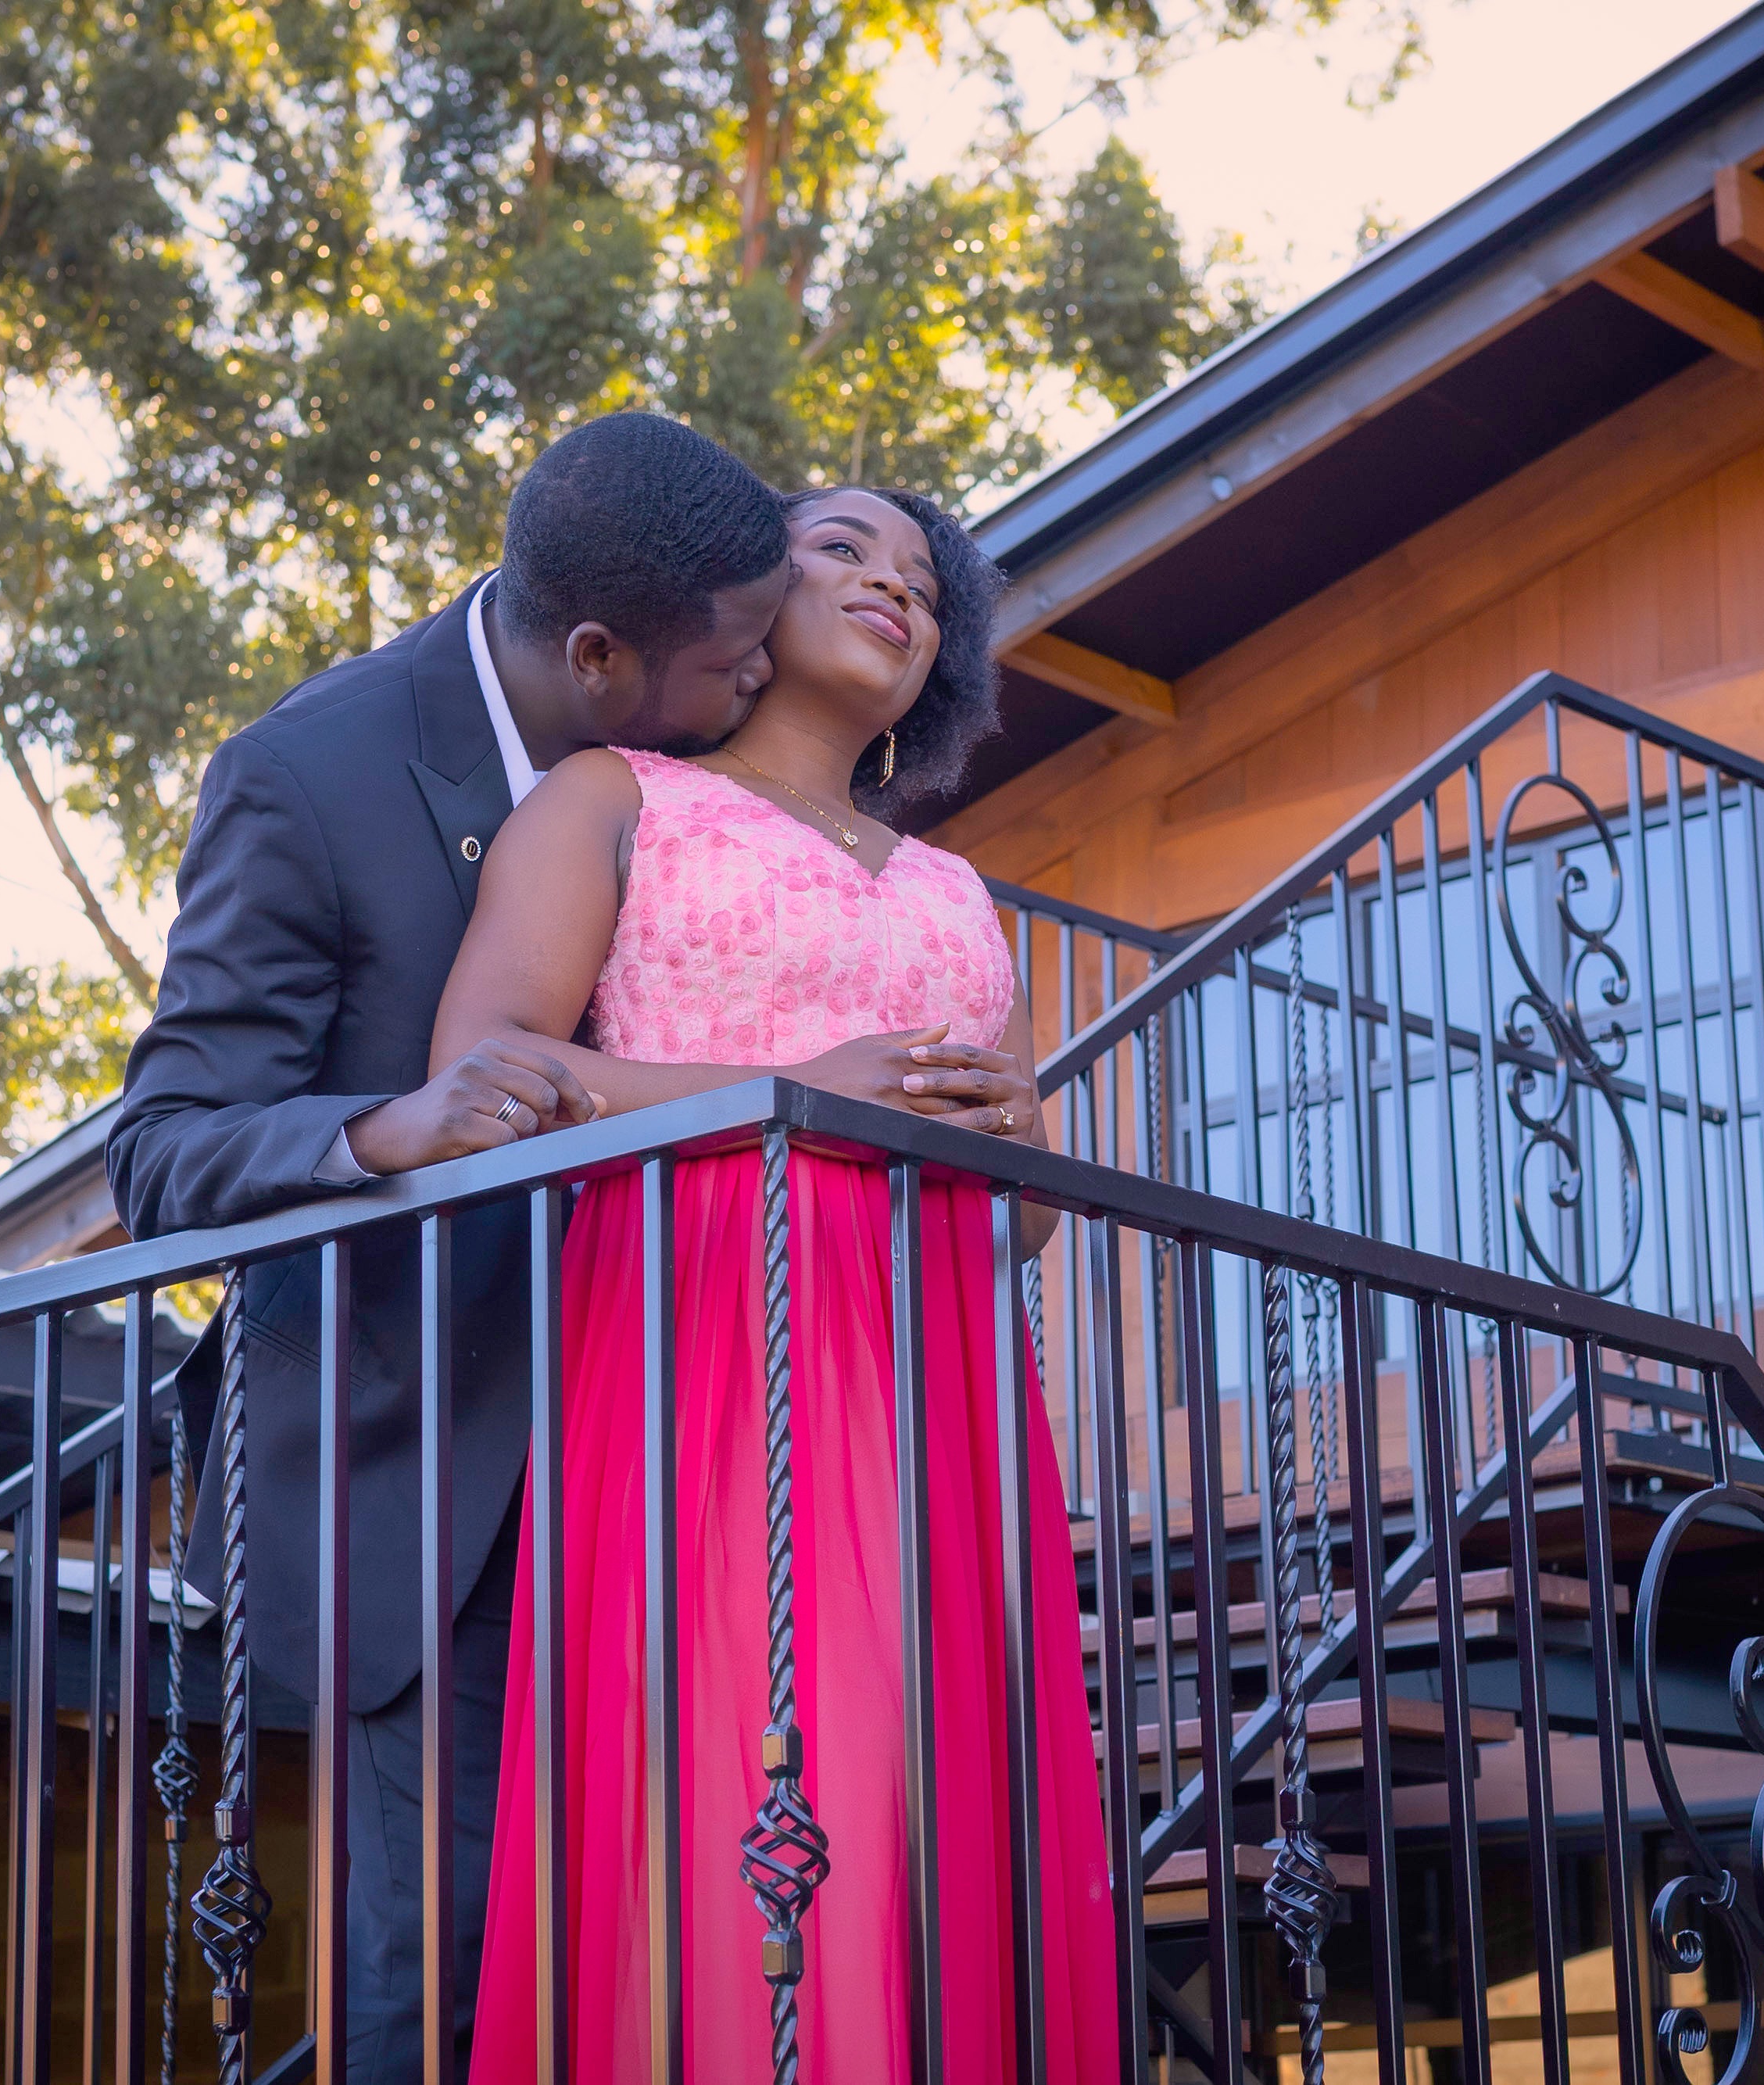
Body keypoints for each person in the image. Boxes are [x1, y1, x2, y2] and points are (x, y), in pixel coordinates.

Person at [108, 415, 939, 2077]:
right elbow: (161, 1147)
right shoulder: (311, 774)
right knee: (453, 1966)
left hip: (693, 1449)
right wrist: (382, 1130)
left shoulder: (702, 774)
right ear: (600, 655)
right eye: (732, 658)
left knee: (701, 1949)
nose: (757, 674)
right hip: (439, 1466)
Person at [439, 487, 1118, 2080]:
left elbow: (1022, 1224)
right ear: (746, 599)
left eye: (926, 586)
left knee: (926, 1773)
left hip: (937, 1364)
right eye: (843, 550)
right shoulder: (614, 797)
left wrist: (1023, 1148)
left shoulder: (957, 890)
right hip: (704, 1332)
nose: (895, 586)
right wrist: (790, 1095)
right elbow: (485, 1068)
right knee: (732, 1746)